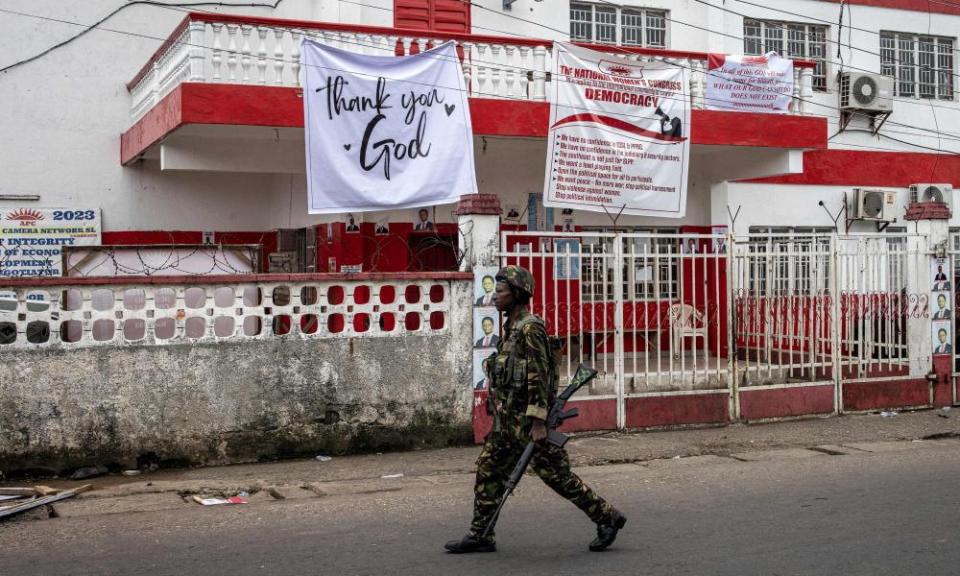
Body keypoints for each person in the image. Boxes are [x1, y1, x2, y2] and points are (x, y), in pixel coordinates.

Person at [445, 265, 625, 554]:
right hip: (508, 423)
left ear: (517, 294)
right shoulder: (510, 329)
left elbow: (539, 376)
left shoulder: (531, 327)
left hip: (529, 424)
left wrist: (539, 422)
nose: (495, 298)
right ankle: (481, 534)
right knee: (489, 471)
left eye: (501, 292)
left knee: (558, 477)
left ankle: (607, 517)